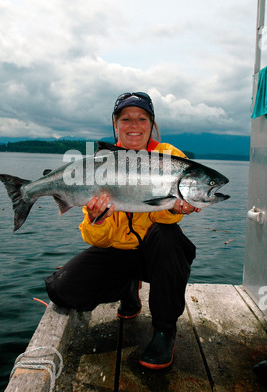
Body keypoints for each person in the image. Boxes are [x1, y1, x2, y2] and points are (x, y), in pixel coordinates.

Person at [45, 92, 200, 370]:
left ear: (152, 124)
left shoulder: (170, 157)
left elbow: (166, 220)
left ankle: (165, 330)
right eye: (126, 119)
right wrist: (97, 219)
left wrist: (175, 209)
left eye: (142, 119)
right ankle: (127, 288)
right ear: (115, 124)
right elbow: (95, 239)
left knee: (170, 240)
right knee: (60, 290)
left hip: (154, 254)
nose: (134, 126)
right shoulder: (99, 163)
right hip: (117, 252)